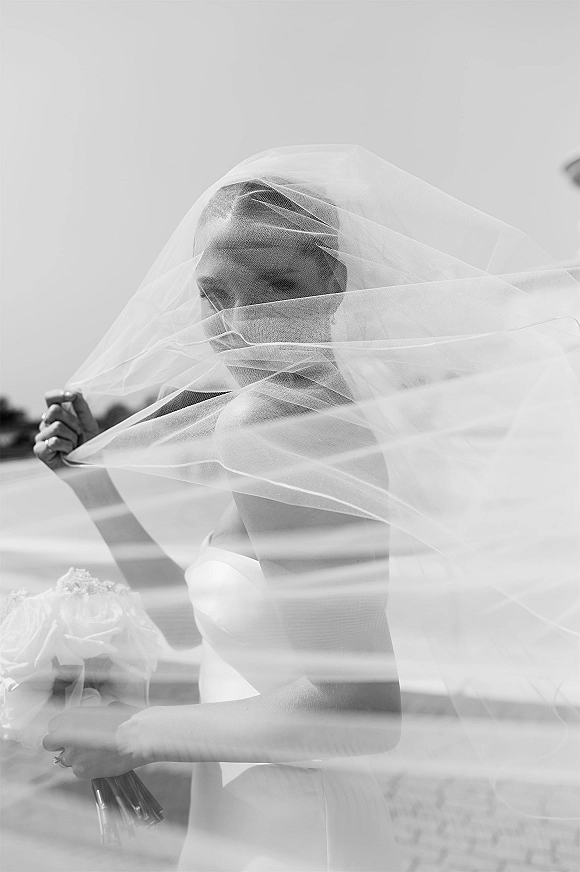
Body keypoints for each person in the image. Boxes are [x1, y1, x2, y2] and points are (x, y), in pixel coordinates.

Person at [33, 146, 578, 871]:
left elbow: (360, 712)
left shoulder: (270, 423)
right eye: (213, 294)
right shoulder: (302, 413)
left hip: (289, 832)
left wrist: (131, 733)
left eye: (275, 286)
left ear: (335, 283)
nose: (239, 324)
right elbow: (191, 628)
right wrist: (91, 485)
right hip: (261, 814)